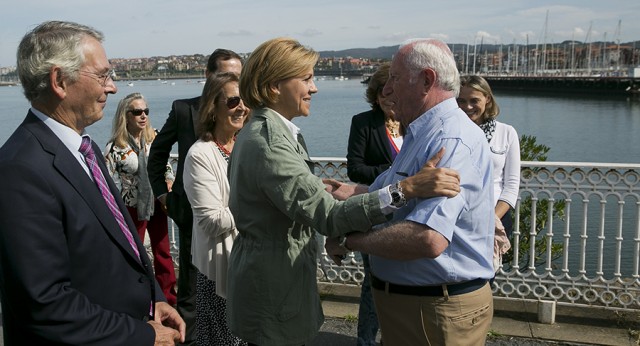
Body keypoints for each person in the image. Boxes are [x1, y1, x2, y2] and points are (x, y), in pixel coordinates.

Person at [226, 37, 461, 346]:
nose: (314, 88)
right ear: (273, 86)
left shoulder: (265, 132)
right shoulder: (270, 142)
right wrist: (406, 189)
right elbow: (330, 217)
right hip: (274, 288)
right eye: (307, 78)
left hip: (272, 280)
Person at [0, 20, 184, 345]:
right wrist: (144, 335)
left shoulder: (84, 149)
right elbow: (46, 303)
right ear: (59, 80)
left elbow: (123, 234)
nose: (112, 87)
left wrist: (153, 297)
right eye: (103, 75)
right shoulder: (19, 169)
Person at [325, 39, 495, 346]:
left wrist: (349, 241)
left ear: (427, 81)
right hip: (418, 306)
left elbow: (428, 238)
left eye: (395, 78)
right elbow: (389, 192)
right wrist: (346, 191)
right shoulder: (421, 132)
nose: (386, 89)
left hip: (435, 310)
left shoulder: (450, 140)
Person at [148, 48, 242, 344]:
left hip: (236, 231)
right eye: (225, 74)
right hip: (193, 215)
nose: (233, 81)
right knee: (192, 292)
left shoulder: (243, 114)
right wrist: (165, 196)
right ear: (208, 76)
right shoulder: (183, 109)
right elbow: (157, 155)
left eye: (238, 76)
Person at [183, 72, 249, 345]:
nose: (242, 107)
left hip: (249, 266)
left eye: (245, 100)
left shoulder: (245, 146)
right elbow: (211, 221)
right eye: (234, 101)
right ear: (212, 106)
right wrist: (256, 202)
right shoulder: (200, 155)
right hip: (220, 272)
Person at [346, 62, 401, 346]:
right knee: (373, 281)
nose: (389, 97)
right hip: (376, 213)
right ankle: (365, 340)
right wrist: (393, 173)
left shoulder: (414, 122)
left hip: (408, 215)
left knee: (403, 282)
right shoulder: (363, 123)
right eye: (384, 92)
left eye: (394, 90)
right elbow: (354, 168)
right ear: (376, 95)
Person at [105, 92, 178, 306]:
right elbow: (109, 181)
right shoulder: (115, 148)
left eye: (146, 111)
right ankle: (139, 295)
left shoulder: (153, 138)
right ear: (125, 116)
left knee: (163, 250)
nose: (143, 116)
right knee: (135, 254)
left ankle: (168, 297)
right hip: (131, 206)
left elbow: (163, 164)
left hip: (157, 202)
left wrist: (169, 181)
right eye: (137, 112)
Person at [457, 75, 520, 270]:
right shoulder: (453, 132)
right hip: (459, 219)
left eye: (474, 100)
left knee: (487, 274)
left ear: (488, 99)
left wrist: (491, 219)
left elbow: (511, 186)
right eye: (461, 101)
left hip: (495, 219)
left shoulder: (507, 133)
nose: (468, 107)